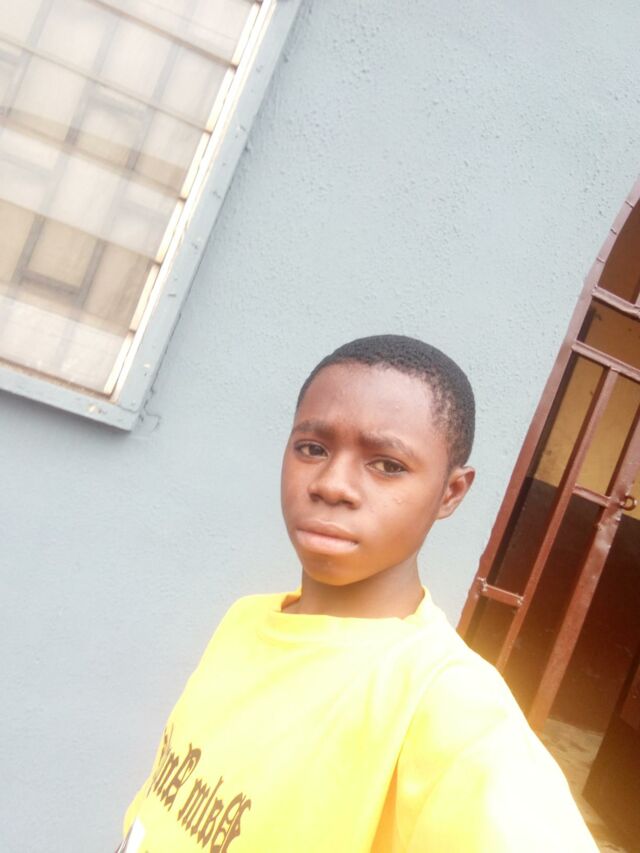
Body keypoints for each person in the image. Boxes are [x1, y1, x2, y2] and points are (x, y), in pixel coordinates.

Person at [117, 334, 598, 852]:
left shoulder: (446, 704)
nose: (331, 484)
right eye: (313, 449)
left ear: (451, 492)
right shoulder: (246, 619)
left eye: (387, 464)